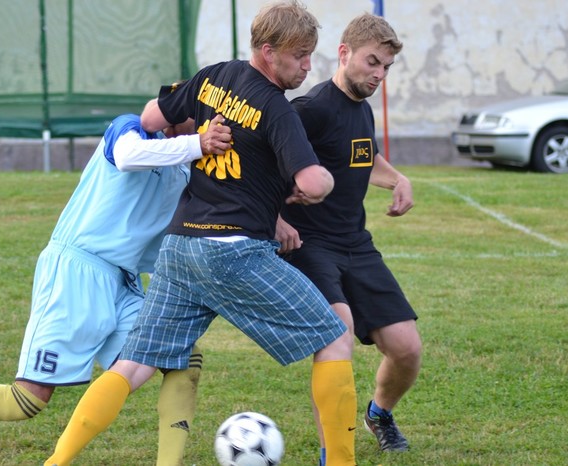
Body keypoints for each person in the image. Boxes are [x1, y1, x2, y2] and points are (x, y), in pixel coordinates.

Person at [42, 2, 358, 466]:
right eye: (300, 55)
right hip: (234, 253)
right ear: (268, 51)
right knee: (334, 338)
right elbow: (311, 183)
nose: (308, 65)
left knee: (133, 365)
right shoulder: (276, 108)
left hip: (179, 249)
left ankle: (55, 462)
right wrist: (325, 180)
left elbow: (151, 118)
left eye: (311, 54)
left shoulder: (214, 75)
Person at [0, 96, 232, 465]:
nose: (211, 124)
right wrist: (198, 144)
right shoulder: (130, 128)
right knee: (28, 399)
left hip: (125, 282)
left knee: (182, 356)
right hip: (76, 270)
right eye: (203, 116)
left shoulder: (187, 171)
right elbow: (128, 156)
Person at [278, 13, 422, 460]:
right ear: (344, 53)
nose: (379, 75)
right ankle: (333, 455)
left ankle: (379, 414)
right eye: (372, 62)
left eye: (386, 67)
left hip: (356, 243)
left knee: (407, 349)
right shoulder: (311, 110)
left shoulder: (362, 108)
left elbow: (363, 156)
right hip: (310, 245)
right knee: (336, 337)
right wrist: (276, 218)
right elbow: (263, 165)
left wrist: (398, 178)